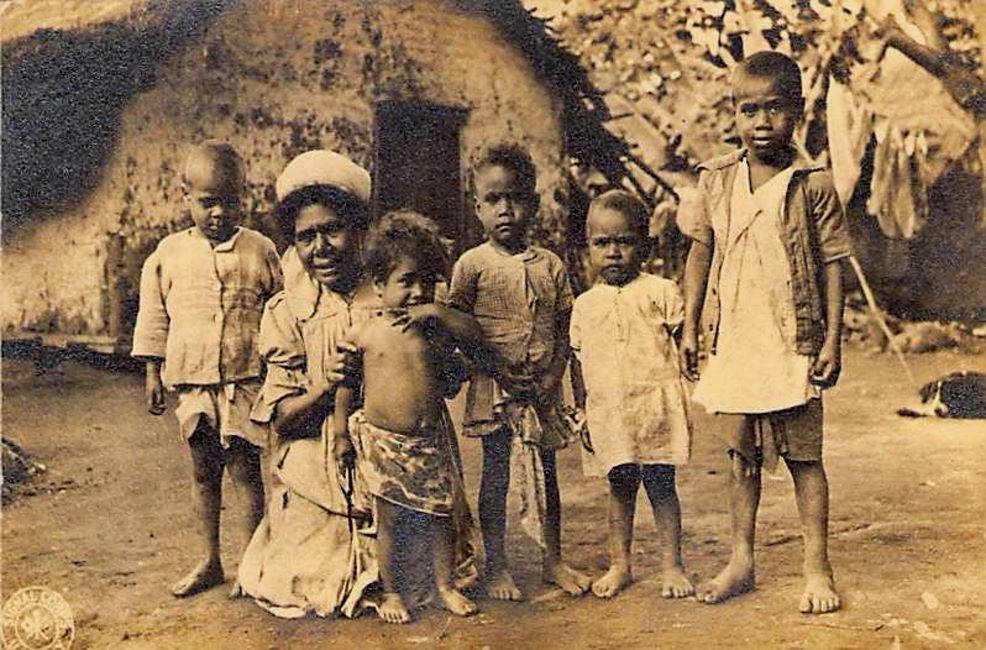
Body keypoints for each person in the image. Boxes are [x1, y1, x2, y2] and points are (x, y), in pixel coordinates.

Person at [677, 51, 851, 614]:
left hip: (792, 340)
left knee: (804, 457)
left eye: (775, 109)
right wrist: (690, 323)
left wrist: (832, 339)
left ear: (796, 112)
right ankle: (741, 559)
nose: (761, 122)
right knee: (741, 456)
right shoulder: (717, 180)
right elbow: (700, 252)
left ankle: (817, 567)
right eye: (748, 110)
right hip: (736, 339)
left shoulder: (812, 184)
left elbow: (833, 264)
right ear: (734, 114)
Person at [132, 140, 281, 597]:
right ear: (186, 197)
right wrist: (153, 372)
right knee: (203, 473)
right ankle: (210, 560)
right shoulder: (168, 254)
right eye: (207, 202)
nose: (218, 213)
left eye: (230, 202)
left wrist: (281, 371)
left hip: (244, 381)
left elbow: (281, 310)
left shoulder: (259, 250)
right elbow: (154, 316)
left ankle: (251, 564)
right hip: (194, 384)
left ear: (244, 197)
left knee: (245, 472)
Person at [234, 150, 380, 618]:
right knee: (306, 575)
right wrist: (325, 386)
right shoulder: (287, 311)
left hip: (390, 446)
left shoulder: (390, 292)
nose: (321, 248)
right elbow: (282, 420)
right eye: (305, 237)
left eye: (332, 230)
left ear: (358, 229)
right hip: (319, 456)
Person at [448, 144, 591, 600]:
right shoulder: (471, 265)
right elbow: (459, 326)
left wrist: (553, 376)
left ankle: (553, 560)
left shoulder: (550, 264)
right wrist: (496, 370)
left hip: (542, 388)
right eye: (493, 200)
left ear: (533, 203)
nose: (505, 210)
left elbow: (565, 327)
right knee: (496, 475)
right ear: (477, 207)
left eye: (515, 198)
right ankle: (496, 566)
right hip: (495, 387)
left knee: (547, 473)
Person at [333, 211, 490, 623]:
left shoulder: (435, 330)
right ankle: (391, 592)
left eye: (427, 281)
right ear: (379, 285)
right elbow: (346, 387)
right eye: (406, 281)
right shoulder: (365, 333)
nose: (418, 291)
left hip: (430, 442)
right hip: (385, 444)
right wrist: (340, 434)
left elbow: (472, 343)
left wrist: (440, 317)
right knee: (390, 522)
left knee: (440, 516)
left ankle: (445, 585)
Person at [569, 190, 693, 600]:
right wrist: (583, 412)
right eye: (602, 243)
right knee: (620, 487)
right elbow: (578, 360)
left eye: (624, 242)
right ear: (588, 248)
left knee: (661, 486)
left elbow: (685, 341)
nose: (613, 252)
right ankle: (620, 564)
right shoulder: (585, 305)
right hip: (610, 412)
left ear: (644, 246)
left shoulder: (660, 291)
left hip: (653, 408)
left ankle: (672, 566)